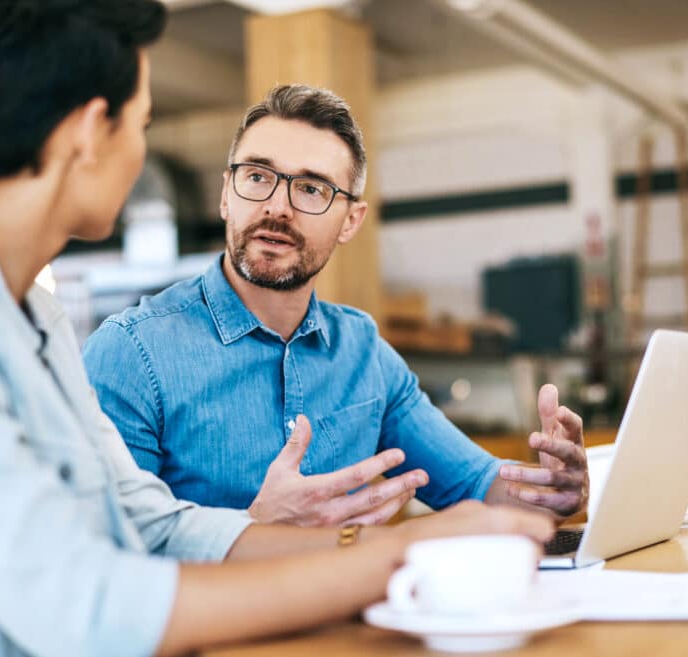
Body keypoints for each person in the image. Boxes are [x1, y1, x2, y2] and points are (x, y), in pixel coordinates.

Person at [0, 2, 556, 656]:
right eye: (142, 122)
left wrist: (393, 539)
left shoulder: (33, 313)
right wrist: (398, 555)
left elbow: (152, 524)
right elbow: (85, 602)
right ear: (88, 133)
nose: (140, 153)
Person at [83, 83, 589, 528]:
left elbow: (479, 486)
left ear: (350, 221)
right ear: (225, 195)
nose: (277, 206)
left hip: (348, 632)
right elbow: (103, 555)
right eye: (257, 176)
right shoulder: (131, 353)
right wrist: (254, 526)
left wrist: (551, 492)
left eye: (311, 188)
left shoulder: (363, 352)